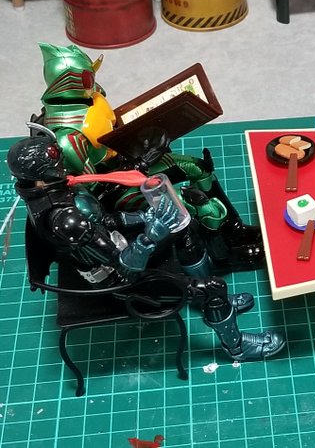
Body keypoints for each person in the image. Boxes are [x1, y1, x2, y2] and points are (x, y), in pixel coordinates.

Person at [7, 131, 285, 361]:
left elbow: (106, 219)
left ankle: (205, 304)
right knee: (214, 287)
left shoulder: (54, 190)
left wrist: (145, 217)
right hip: (117, 281)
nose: (62, 158)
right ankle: (236, 346)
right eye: (55, 155)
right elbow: (124, 266)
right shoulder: (65, 218)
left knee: (185, 229)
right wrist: (150, 236)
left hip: (114, 249)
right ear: (43, 169)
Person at [34, 42, 264, 270]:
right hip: (119, 191)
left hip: (128, 162)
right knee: (195, 204)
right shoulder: (68, 138)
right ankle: (222, 254)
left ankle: (234, 230)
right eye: (87, 76)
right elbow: (99, 193)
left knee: (198, 168)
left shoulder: (89, 97)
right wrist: (143, 163)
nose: (93, 80)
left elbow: (112, 129)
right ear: (71, 80)